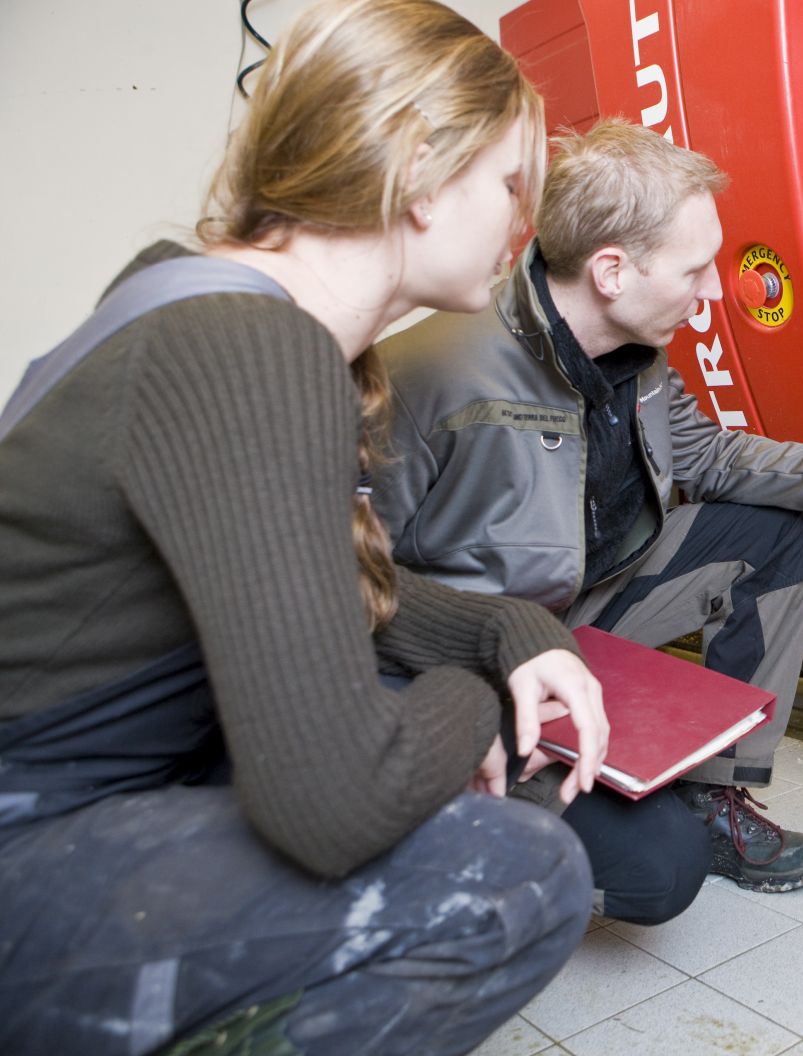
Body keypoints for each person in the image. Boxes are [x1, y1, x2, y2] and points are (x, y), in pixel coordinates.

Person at [0, 3, 609, 1053]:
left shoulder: (191, 301)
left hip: (59, 793)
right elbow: (336, 802)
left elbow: (318, 589)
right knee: (517, 874)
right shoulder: (250, 348)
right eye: (512, 185)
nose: (523, 223)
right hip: (23, 833)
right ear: (420, 172)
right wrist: (477, 706)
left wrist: (510, 634)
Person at [372, 120, 803, 913]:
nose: (715, 291)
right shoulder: (429, 376)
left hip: (587, 607)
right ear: (613, 271)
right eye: (695, 270)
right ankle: (460, 833)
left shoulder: (637, 357)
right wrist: (456, 717)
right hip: (477, 662)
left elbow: (714, 458)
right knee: (661, 874)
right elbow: (352, 586)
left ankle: (718, 795)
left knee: (769, 533)